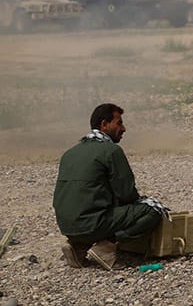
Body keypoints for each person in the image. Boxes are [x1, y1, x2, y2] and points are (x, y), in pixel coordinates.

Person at [53, 104, 168, 270]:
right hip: (91, 224)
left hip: (66, 226)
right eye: (119, 123)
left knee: (98, 208)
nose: (124, 128)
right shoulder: (111, 151)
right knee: (152, 210)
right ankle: (105, 248)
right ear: (104, 124)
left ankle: (77, 247)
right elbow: (127, 193)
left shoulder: (69, 153)